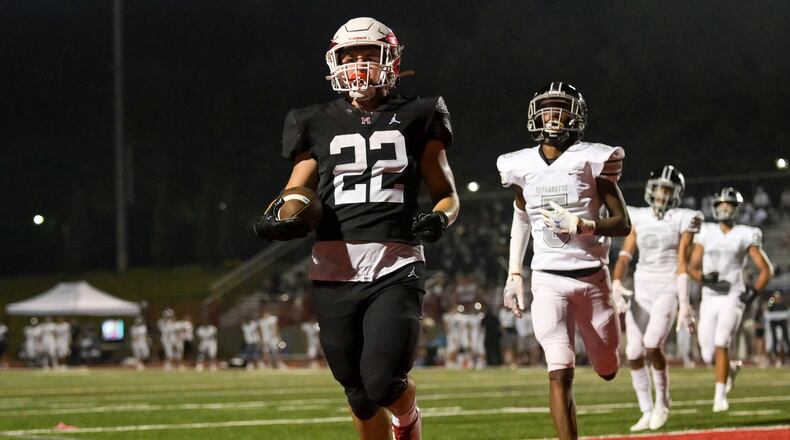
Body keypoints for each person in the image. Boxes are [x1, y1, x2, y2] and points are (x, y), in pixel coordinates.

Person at [253, 16, 459, 439]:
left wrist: (440, 217)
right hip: (333, 266)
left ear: (392, 60)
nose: (360, 64)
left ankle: (407, 418)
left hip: (394, 263)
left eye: (370, 54)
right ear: (334, 63)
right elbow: (296, 190)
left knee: (384, 383)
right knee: (358, 394)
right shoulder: (313, 120)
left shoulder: (419, 113)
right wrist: (279, 218)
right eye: (350, 56)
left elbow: (448, 193)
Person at [498, 82, 630, 440]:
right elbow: (521, 217)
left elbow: (623, 223)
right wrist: (514, 274)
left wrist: (584, 224)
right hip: (547, 279)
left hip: (592, 279)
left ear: (577, 115)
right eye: (548, 108)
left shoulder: (592, 159)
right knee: (559, 370)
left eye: (562, 109)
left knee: (606, 366)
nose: (554, 116)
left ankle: (606, 359)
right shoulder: (521, 164)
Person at [611, 165, 703, 431]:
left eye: (668, 189)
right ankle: (646, 409)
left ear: (677, 193)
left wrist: (685, 304)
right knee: (633, 352)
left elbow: (683, 261)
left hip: (668, 285)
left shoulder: (684, 217)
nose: (662, 194)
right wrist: (616, 281)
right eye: (660, 188)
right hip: (641, 286)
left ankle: (662, 402)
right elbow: (626, 255)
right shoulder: (638, 216)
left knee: (652, 345)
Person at [689, 187, 774, 412]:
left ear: (737, 209)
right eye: (721, 204)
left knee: (722, 341)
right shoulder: (705, 231)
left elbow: (766, 269)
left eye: (729, 205)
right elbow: (692, 267)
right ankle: (731, 370)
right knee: (707, 354)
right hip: (709, 295)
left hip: (733, 293)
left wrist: (753, 292)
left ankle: (719, 396)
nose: (725, 208)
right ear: (715, 207)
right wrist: (704, 278)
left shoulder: (746, 233)